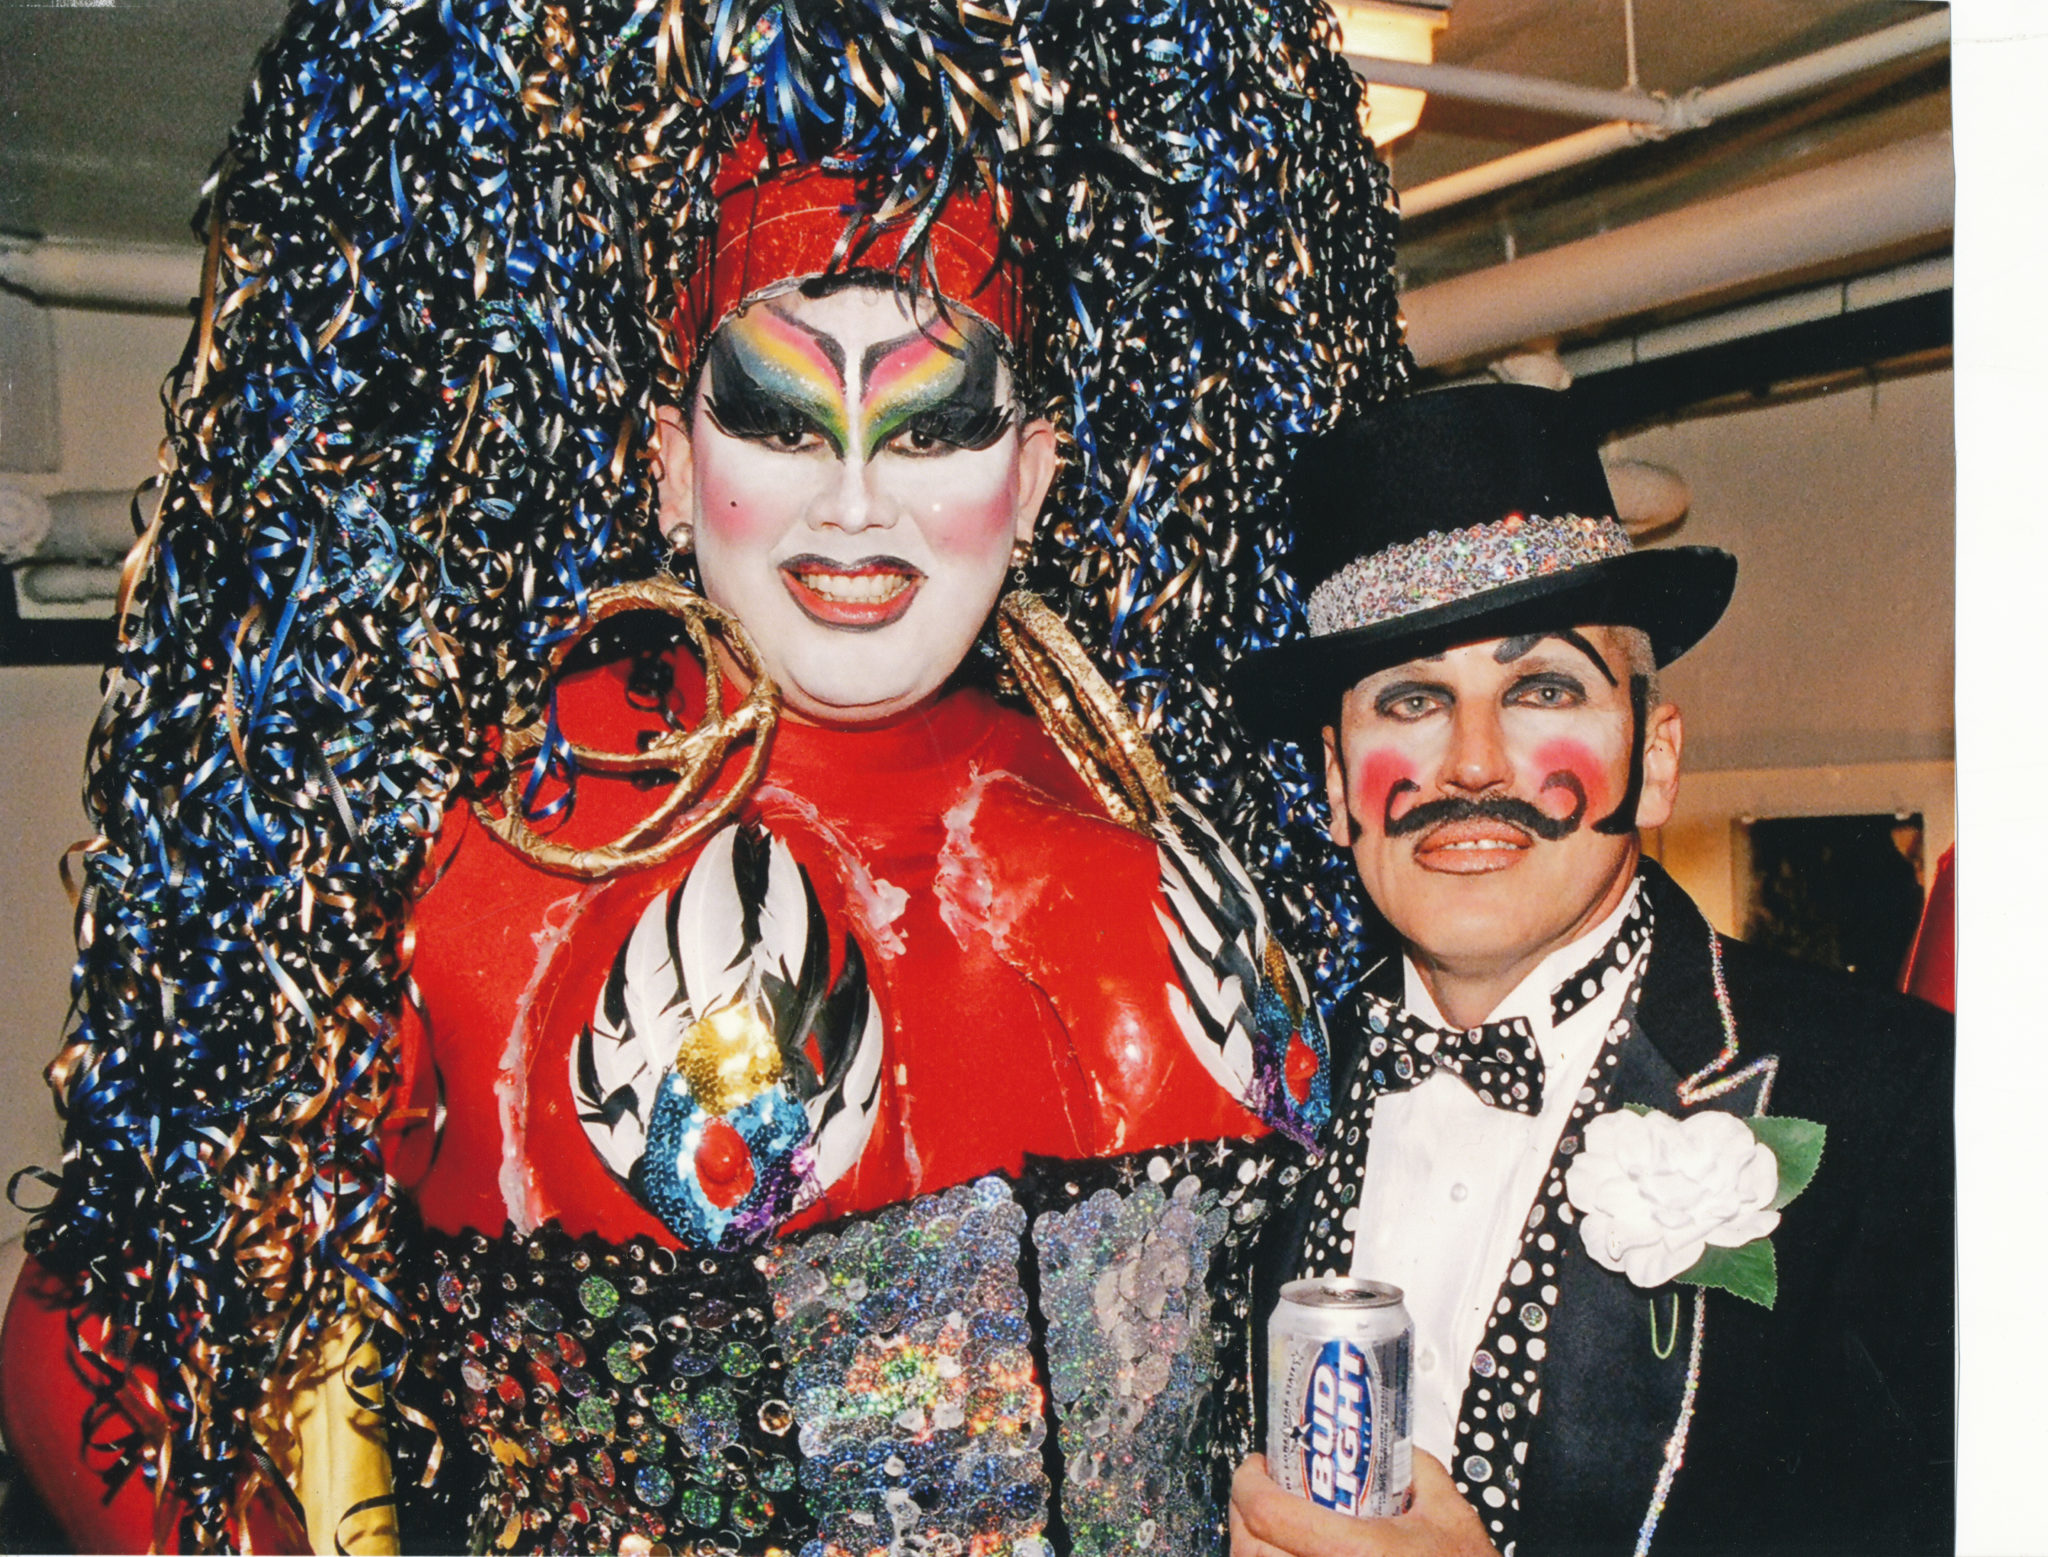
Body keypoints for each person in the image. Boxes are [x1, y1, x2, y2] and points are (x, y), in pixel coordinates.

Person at [0, 3, 1407, 1552]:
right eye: (780, 417)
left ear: (1038, 471)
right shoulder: (493, 846)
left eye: (936, 426)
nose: (859, 504)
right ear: (672, 463)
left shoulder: (1171, 828)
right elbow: (110, 1328)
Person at [1226, 384, 1954, 1557]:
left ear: (1652, 763)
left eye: (1541, 690)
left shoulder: (1909, 1110)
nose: (1467, 763)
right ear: (1330, 781)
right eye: (1410, 700)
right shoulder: (1254, 1093)